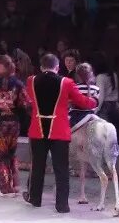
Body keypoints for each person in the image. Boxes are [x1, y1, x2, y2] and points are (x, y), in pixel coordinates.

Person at [24, 53, 97, 213]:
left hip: (37, 129)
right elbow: (83, 102)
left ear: (42, 67)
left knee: (37, 166)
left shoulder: (31, 80)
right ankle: (62, 205)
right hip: (59, 130)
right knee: (61, 169)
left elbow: (30, 99)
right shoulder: (66, 82)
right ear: (57, 67)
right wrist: (93, 101)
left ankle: (35, 199)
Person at [0, 55, 29, 197]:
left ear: (0, 66)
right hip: (13, 124)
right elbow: (26, 104)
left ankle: (6, 188)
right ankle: (16, 185)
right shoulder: (19, 83)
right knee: (11, 154)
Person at [68, 63, 100, 132]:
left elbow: (71, 105)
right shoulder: (96, 88)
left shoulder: (75, 87)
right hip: (92, 114)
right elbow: (96, 106)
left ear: (77, 75)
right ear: (91, 74)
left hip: (76, 116)